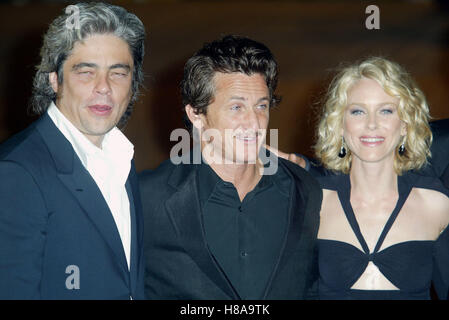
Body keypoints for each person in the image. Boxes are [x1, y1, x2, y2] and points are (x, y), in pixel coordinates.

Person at [139, 35, 322, 299]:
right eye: (236, 107)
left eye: (261, 106)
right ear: (196, 115)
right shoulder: (146, 198)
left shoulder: (304, 189)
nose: (254, 123)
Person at [0, 2, 146, 299]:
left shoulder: (121, 159)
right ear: (54, 79)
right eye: (86, 72)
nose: (104, 87)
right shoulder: (16, 172)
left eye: (118, 73)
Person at [312, 57, 449, 299]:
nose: (372, 124)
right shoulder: (314, 203)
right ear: (340, 124)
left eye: (386, 111)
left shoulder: (436, 205)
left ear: (405, 124)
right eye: (358, 111)